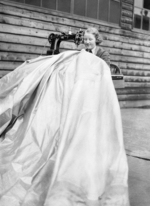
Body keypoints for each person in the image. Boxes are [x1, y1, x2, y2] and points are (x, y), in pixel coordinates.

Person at [0, 40, 129, 205]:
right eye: (85, 39)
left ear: (96, 39)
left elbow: (102, 67)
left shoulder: (101, 55)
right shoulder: (78, 54)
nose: (87, 42)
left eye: (90, 39)